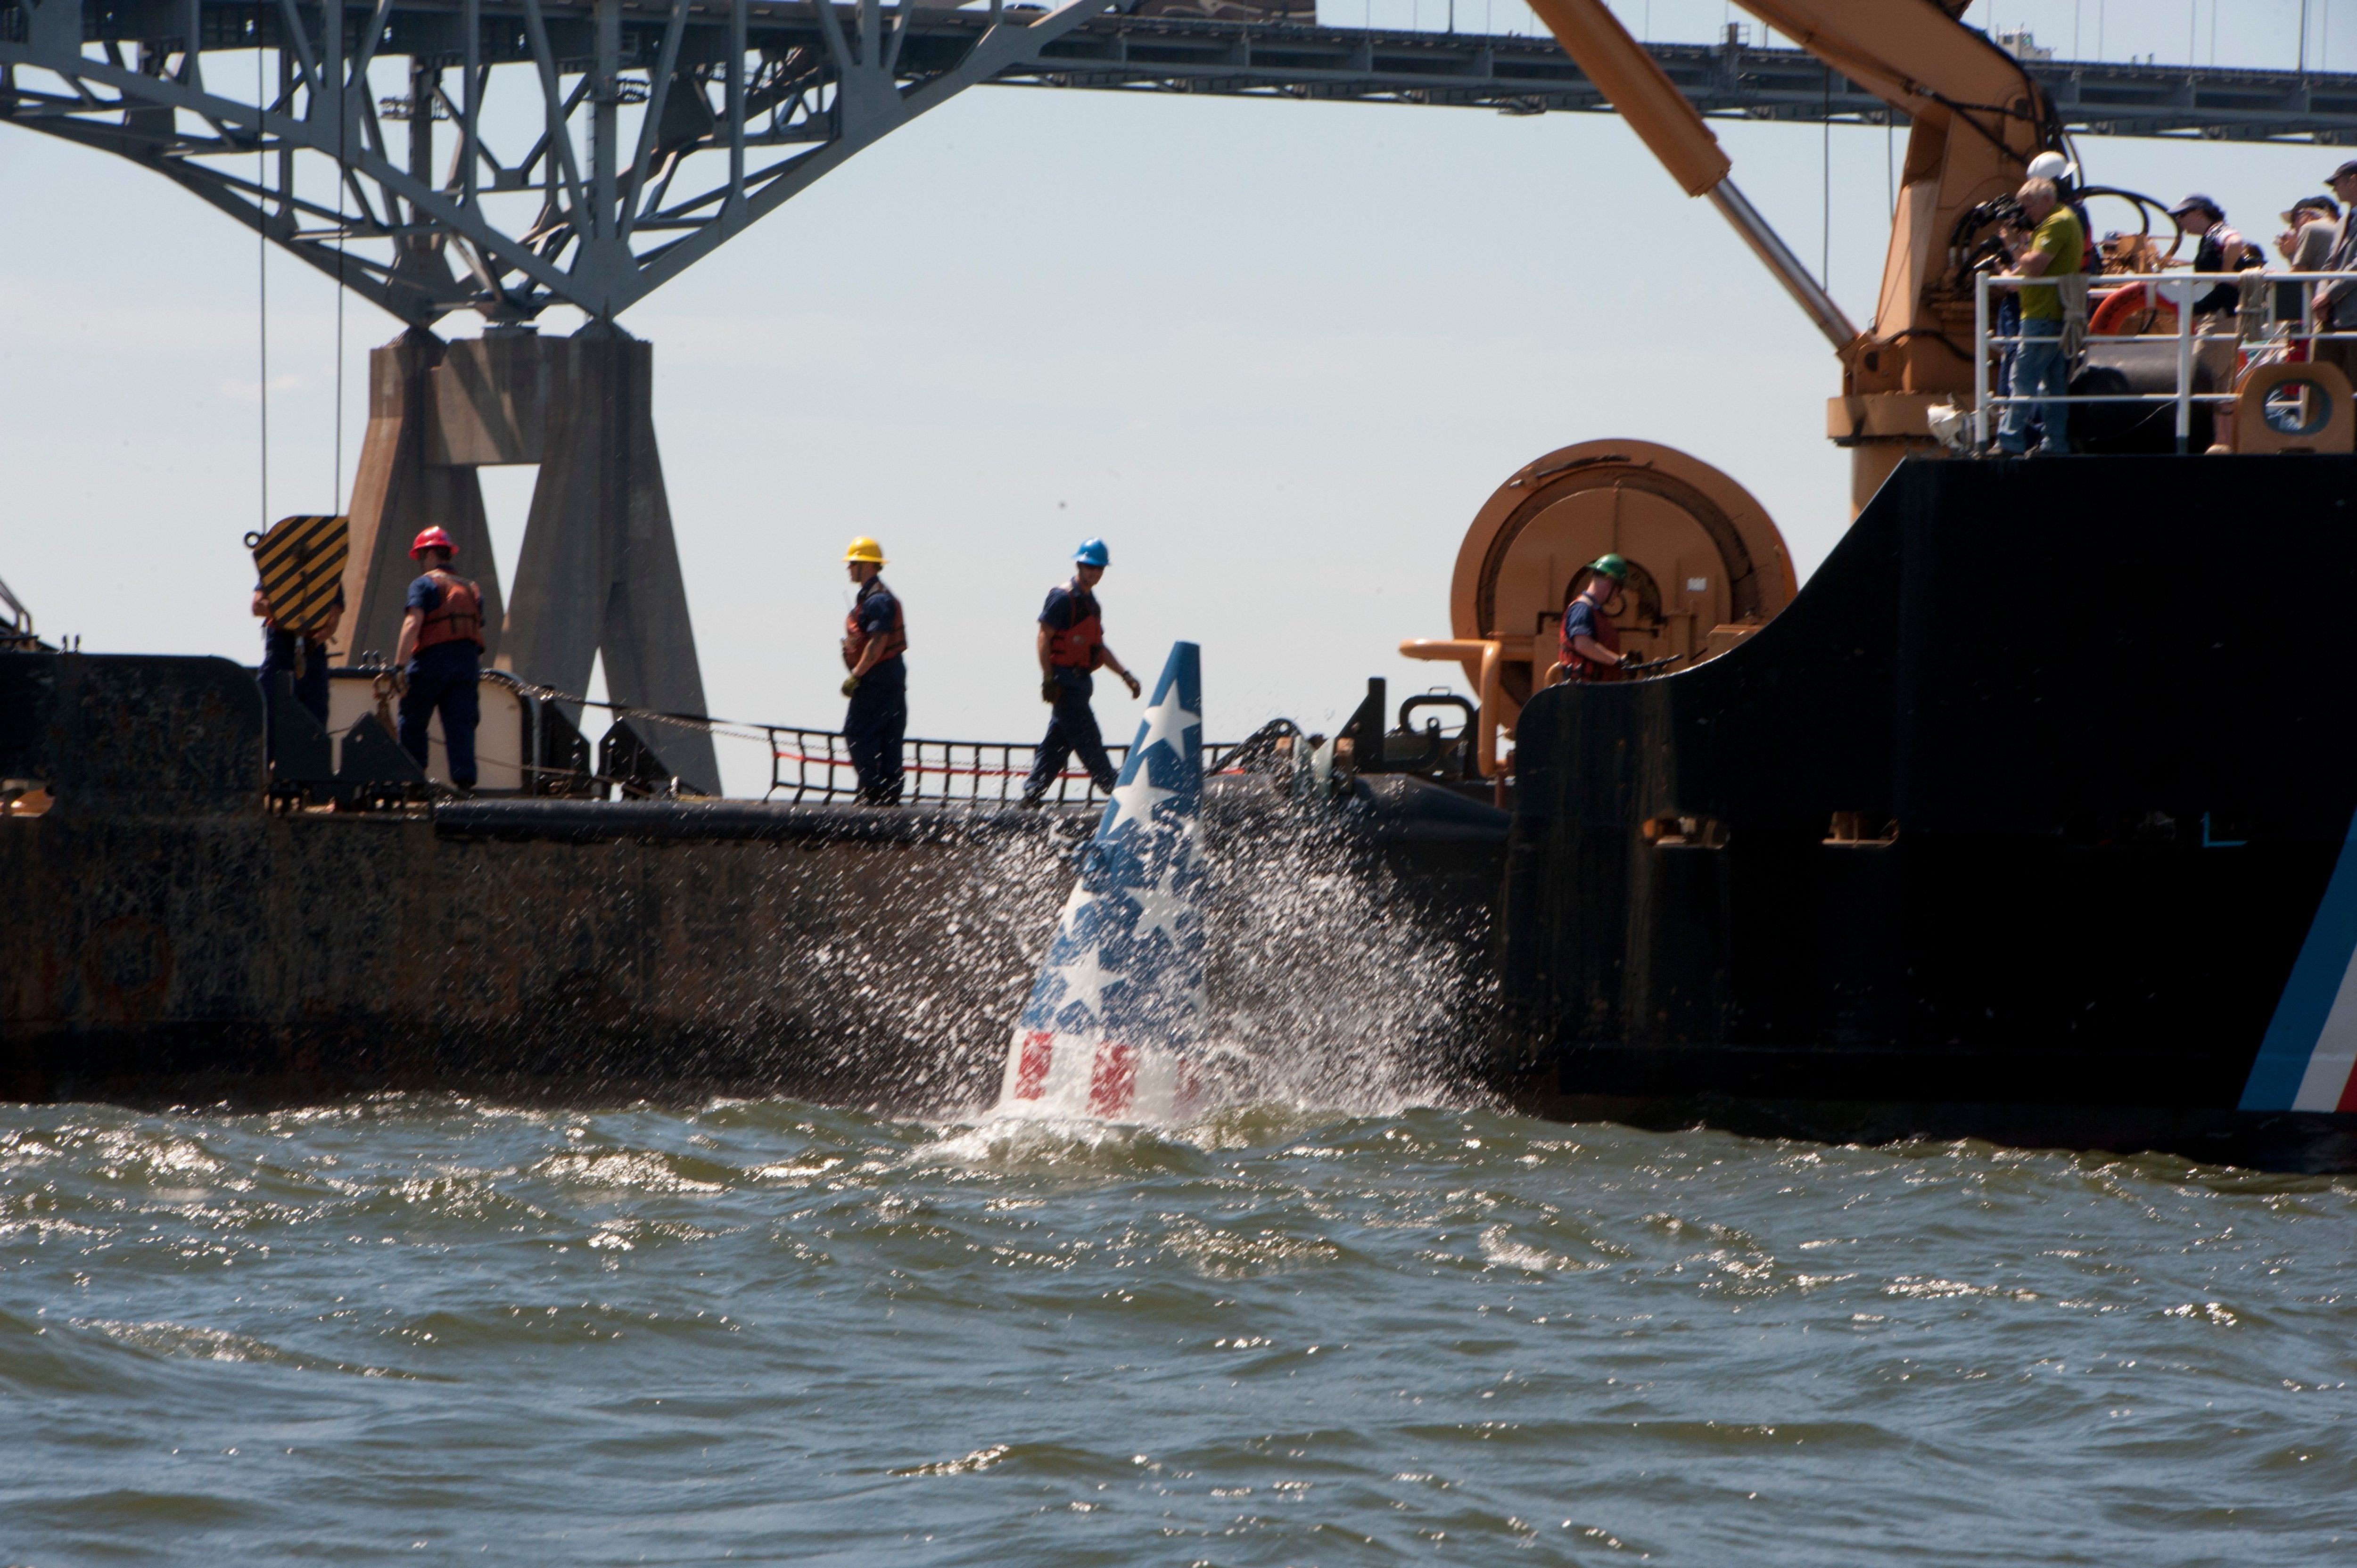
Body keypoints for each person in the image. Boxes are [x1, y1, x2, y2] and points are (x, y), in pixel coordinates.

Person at [1020, 539, 1140, 805]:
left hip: (1081, 683)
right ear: (1079, 565)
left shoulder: (1092, 605)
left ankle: (1031, 795)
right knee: (1088, 738)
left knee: (1058, 743)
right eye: (1090, 567)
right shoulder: (1062, 598)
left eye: (1099, 568)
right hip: (1065, 683)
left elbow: (1099, 649)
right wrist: (1048, 678)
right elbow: (1044, 636)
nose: (1094, 572)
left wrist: (1125, 675)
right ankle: (1114, 790)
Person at [1995, 177, 2085, 458]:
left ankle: (2009, 440)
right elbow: (2022, 276)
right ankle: (2054, 444)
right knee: (2053, 384)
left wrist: (2013, 245)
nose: (2026, 212)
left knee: (2022, 377)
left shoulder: (2056, 223)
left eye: (2028, 206)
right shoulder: (2056, 222)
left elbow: (2034, 266)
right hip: (2049, 313)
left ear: (2047, 199)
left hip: (2043, 315)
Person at [391, 525, 483, 791]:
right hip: (467, 665)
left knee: (413, 720)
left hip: (432, 662)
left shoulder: (424, 584)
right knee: (461, 725)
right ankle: (464, 786)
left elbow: (413, 623)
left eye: (421, 556)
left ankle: (413, 782)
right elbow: (475, 626)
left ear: (431, 554)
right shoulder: (471, 588)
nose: (421, 563)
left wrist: (399, 666)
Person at [838, 536, 907, 806]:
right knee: (889, 737)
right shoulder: (875, 598)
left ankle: (873, 790)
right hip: (891, 677)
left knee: (857, 732)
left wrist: (856, 674)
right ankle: (890, 794)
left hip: (877, 679)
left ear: (866, 565)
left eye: (853, 563)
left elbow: (878, 642)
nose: (849, 569)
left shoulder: (877, 601)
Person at [252, 577, 343, 737]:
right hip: (279, 649)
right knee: (265, 711)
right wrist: (288, 612)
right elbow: (257, 606)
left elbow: (333, 620)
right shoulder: (275, 568)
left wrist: (314, 641)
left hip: (313, 654)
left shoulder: (330, 571)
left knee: (315, 722)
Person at [2169, 194, 2263, 317]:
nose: (2179, 221)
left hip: (2224, 315)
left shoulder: (2218, 230)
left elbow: (2235, 242)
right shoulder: (2210, 235)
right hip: (2218, 311)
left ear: (2199, 213)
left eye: (2182, 215)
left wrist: (2226, 274)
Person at [1556, 555, 1641, 682]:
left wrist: (1623, 660)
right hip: (1583, 690)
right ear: (1611, 583)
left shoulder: (1594, 611)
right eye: (1619, 589)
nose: (1618, 595)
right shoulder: (1582, 609)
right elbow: (1583, 645)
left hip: (1595, 687)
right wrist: (1617, 660)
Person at [2309, 162, 2357, 378]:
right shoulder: (2342, 222)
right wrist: (2321, 297)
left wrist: (2328, 295)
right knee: (2321, 383)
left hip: (2352, 318)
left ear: (2353, 181)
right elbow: (2329, 264)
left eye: (2336, 183)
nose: (2334, 190)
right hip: (2331, 316)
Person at [2275, 194, 2342, 332]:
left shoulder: (2311, 228)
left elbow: (2297, 277)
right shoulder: (2341, 229)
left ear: (2308, 215)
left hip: (2325, 311)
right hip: (2340, 309)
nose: (2292, 226)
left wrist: (2274, 277)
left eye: (2295, 218)